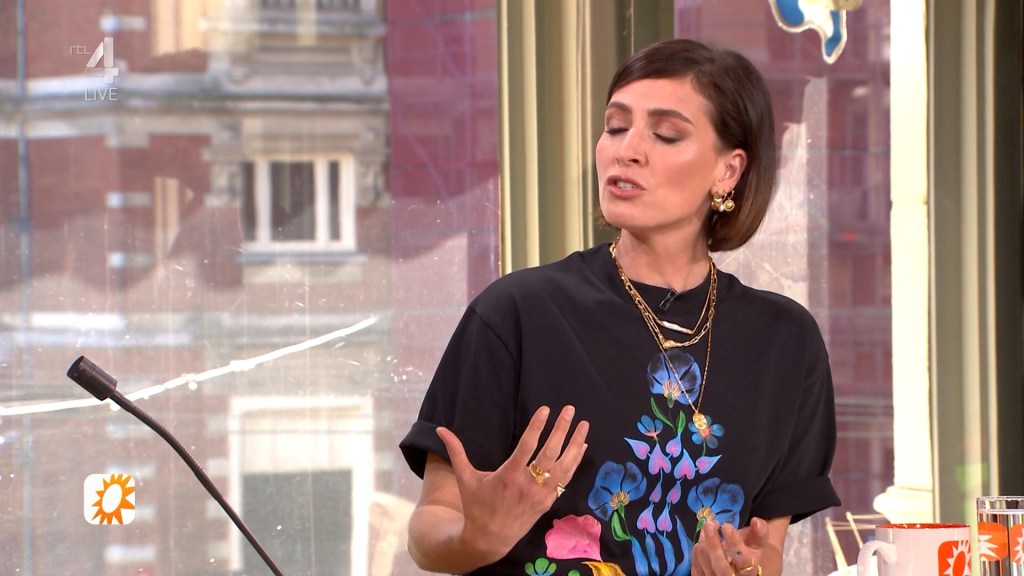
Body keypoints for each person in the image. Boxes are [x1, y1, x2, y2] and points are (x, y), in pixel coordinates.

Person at [399, 38, 840, 576]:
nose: (626, 150)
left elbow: (764, 550)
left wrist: (742, 567)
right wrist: (473, 539)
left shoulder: (785, 343)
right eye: (615, 126)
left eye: (666, 134)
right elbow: (430, 529)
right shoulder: (517, 314)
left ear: (728, 171)